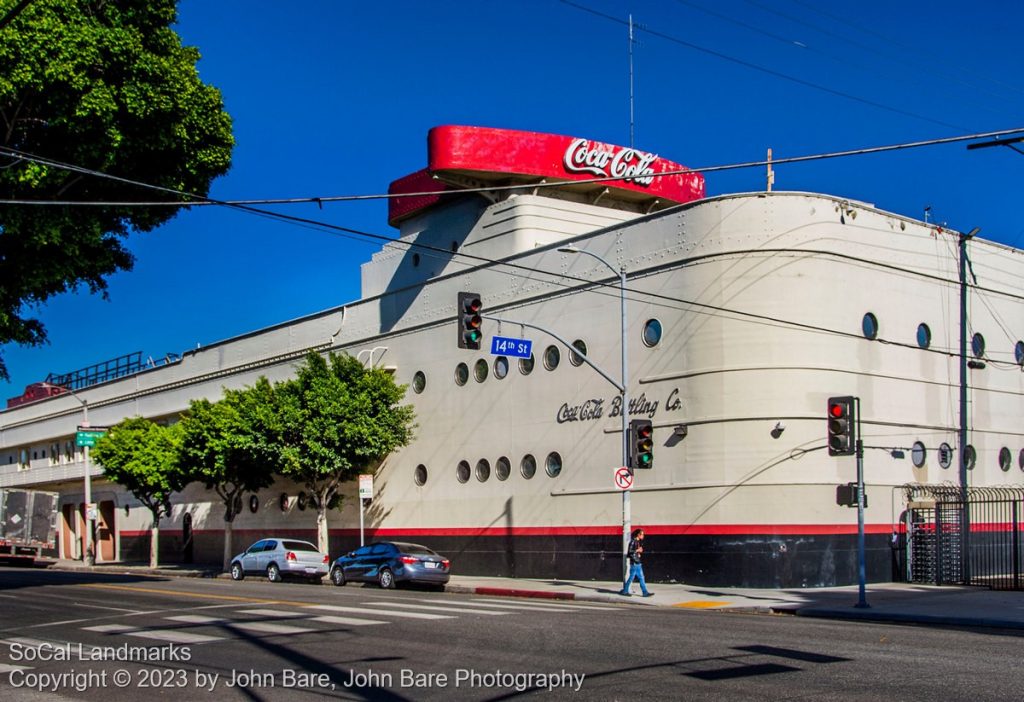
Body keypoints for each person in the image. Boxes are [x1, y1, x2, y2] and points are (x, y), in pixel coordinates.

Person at [619, 528, 653, 597]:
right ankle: (626, 591)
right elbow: (630, 551)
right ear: (638, 535)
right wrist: (637, 550)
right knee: (633, 578)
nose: (643, 536)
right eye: (642, 534)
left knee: (640, 577)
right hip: (635, 563)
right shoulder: (633, 541)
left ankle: (644, 592)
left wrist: (638, 553)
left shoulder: (638, 542)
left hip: (637, 562)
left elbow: (634, 552)